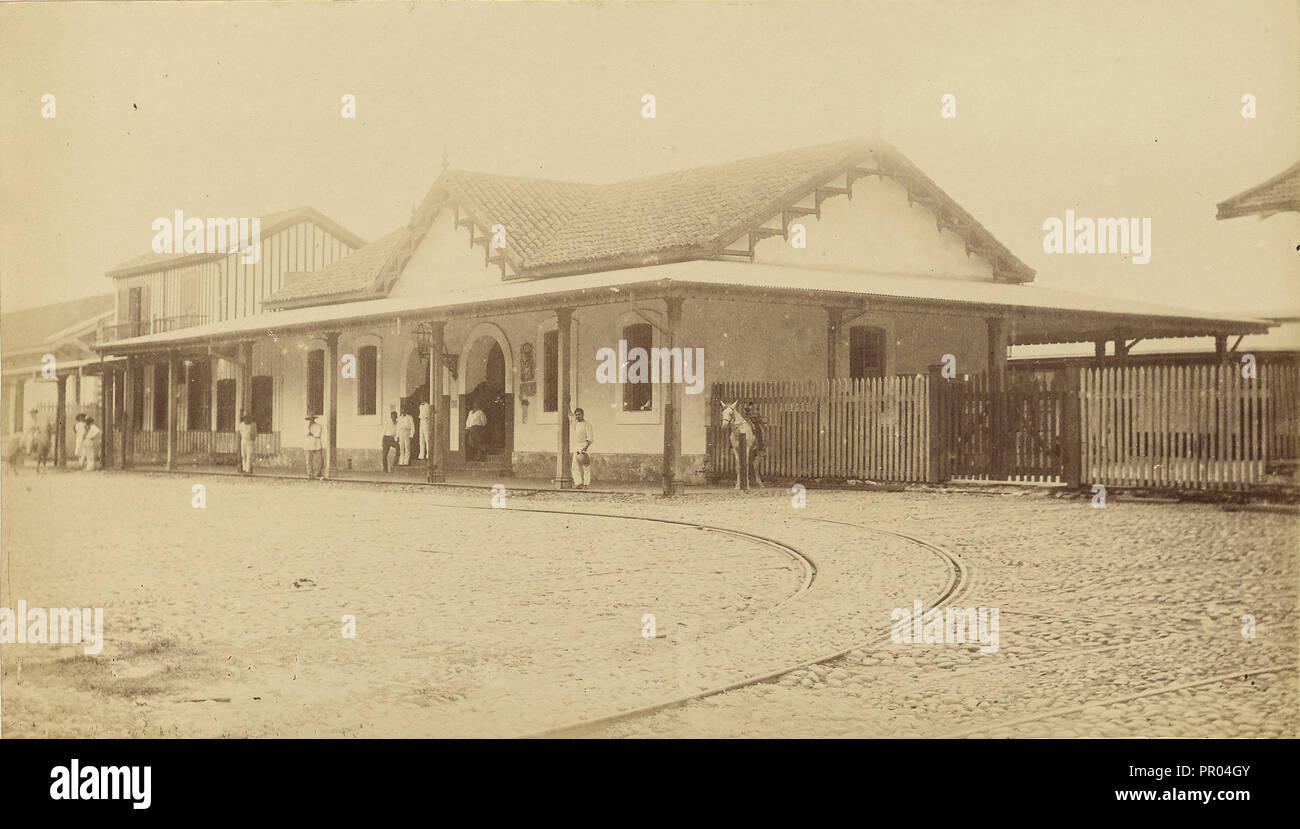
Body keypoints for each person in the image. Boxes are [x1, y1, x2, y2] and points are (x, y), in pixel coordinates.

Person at [743, 401, 767, 487]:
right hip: (748, 425)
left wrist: (758, 419)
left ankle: (760, 446)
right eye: (750, 408)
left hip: (755, 425)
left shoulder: (758, 418)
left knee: (759, 430)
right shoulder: (746, 417)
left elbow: (763, 419)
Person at [571, 407, 594, 489]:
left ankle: (586, 483)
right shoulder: (575, 423)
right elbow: (569, 415)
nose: (578, 416)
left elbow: (590, 438)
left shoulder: (587, 424)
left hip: (585, 446)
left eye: (579, 414)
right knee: (574, 465)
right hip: (577, 446)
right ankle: (578, 483)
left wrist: (585, 449)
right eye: (576, 415)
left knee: (586, 465)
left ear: (583, 414)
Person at [304, 414, 324, 479]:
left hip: (316, 444)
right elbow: (305, 434)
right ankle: (310, 474)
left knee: (318, 460)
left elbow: (317, 434)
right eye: (309, 419)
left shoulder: (318, 426)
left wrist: (311, 433)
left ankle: (317, 473)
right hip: (308, 444)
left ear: (314, 419)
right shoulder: (306, 426)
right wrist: (309, 432)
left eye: (312, 419)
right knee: (308, 460)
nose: (310, 421)